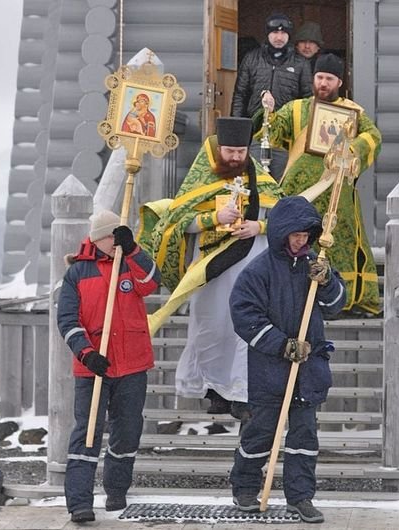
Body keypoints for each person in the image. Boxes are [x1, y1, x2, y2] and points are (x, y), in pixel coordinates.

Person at [143, 117, 283, 419]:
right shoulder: (199, 181)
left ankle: (240, 393)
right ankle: (211, 390)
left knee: (242, 330)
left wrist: (257, 226)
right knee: (211, 328)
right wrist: (214, 218)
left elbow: (283, 222)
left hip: (250, 270)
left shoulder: (262, 182)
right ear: (219, 148)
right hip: (211, 271)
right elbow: (176, 224)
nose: (235, 158)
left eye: (241, 152)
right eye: (230, 151)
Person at [229, 195, 346, 523]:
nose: (302, 239)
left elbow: (336, 305)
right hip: (270, 370)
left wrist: (327, 282)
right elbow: (244, 316)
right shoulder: (258, 272)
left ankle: (300, 496)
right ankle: (245, 487)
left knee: (304, 438)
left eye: (306, 233)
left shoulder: (315, 266)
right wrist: (283, 345)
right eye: (295, 234)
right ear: (281, 233)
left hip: (308, 372)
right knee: (260, 433)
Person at [257, 53, 382, 315]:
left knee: (342, 240)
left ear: (339, 81)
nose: (323, 83)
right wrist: (267, 110)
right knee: (296, 241)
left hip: (337, 192)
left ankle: (342, 300)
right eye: (319, 77)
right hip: (300, 193)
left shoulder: (352, 112)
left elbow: (373, 137)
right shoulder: (297, 109)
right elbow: (274, 132)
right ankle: (294, 297)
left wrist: (352, 148)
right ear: (313, 79)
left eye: (329, 78)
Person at [57, 210, 161, 523]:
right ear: (98, 237)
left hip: (131, 363)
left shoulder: (129, 260)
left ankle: (116, 491)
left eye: (119, 236)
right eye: (111, 236)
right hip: (93, 368)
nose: (115, 242)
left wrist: (133, 250)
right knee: (87, 435)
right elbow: (67, 320)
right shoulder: (78, 272)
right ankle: (79, 503)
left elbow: (152, 282)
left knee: (127, 431)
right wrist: (87, 353)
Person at [231, 14, 313, 180]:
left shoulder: (300, 63)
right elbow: (240, 95)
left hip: (285, 138)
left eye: (283, 33)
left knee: (282, 182)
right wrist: (237, 133)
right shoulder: (251, 59)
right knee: (255, 181)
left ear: (289, 36)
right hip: (255, 133)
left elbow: (308, 100)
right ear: (267, 34)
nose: (279, 37)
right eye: (274, 32)